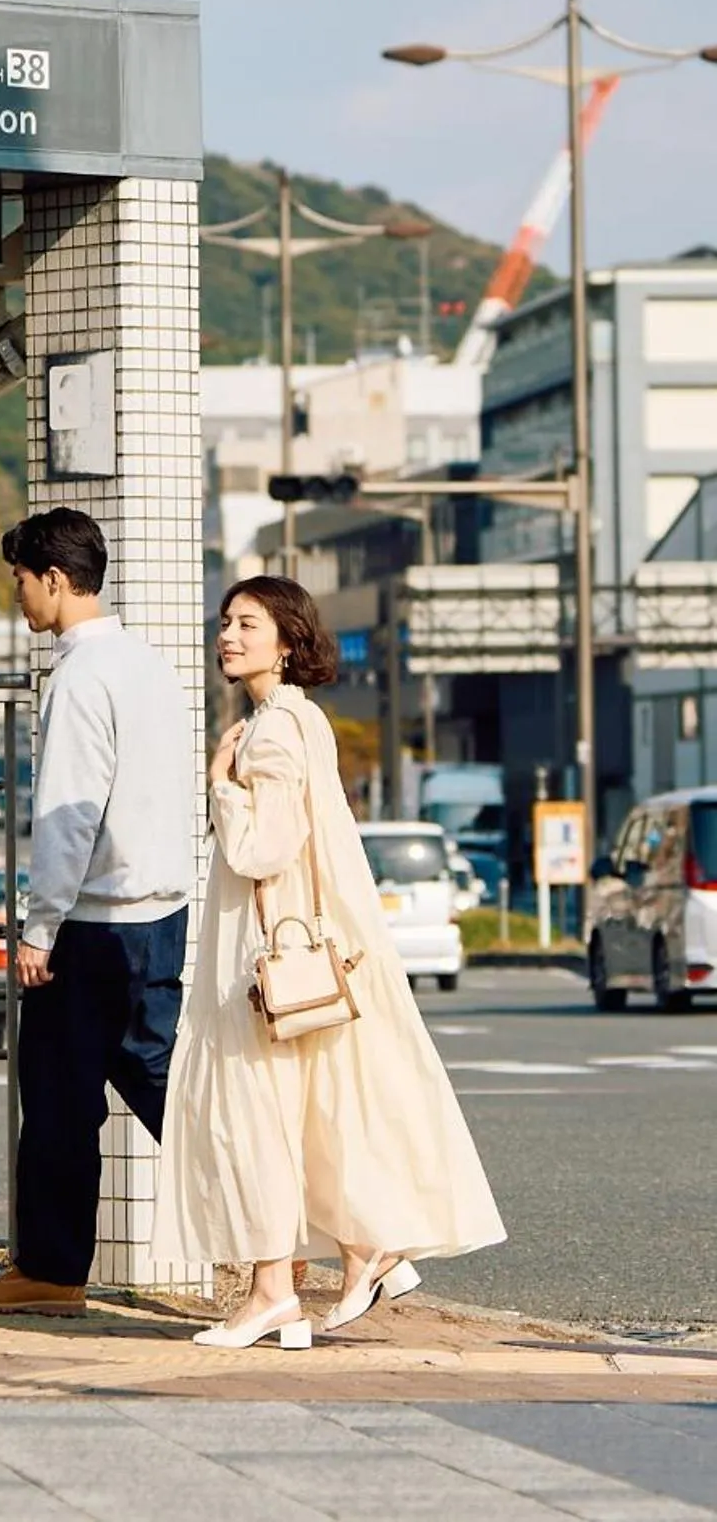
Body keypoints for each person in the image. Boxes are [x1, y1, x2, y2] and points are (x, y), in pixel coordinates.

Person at [157, 576, 502, 1349]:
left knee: (253, 1118)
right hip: (301, 951)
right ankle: (357, 1252)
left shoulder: (272, 730)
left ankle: (281, 1291)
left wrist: (220, 786)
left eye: (248, 624)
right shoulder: (302, 720)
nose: (228, 636)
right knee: (306, 1117)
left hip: (266, 956)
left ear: (288, 640)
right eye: (225, 623)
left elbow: (262, 848)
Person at [0, 508, 196, 1316]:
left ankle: (52, 1272)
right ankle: (285, 1232)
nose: (19, 598)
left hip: (93, 922)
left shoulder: (79, 679)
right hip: (160, 911)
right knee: (167, 1084)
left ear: (54, 580)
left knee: (59, 1099)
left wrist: (38, 927)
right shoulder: (152, 667)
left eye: (21, 581)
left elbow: (68, 815)